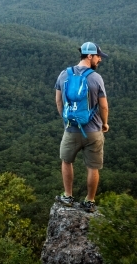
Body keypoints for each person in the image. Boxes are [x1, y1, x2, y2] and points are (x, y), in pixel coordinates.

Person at [54, 41, 109, 212]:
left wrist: (66, 120)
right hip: (93, 131)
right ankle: (89, 201)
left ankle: (68, 196)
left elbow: (58, 101)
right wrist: (105, 123)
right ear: (90, 56)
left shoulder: (64, 74)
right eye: (98, 56)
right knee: (92, 167)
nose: (100, 59)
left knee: (66, 161)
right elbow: (104, 106)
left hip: (71, 129)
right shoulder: (95, 77)